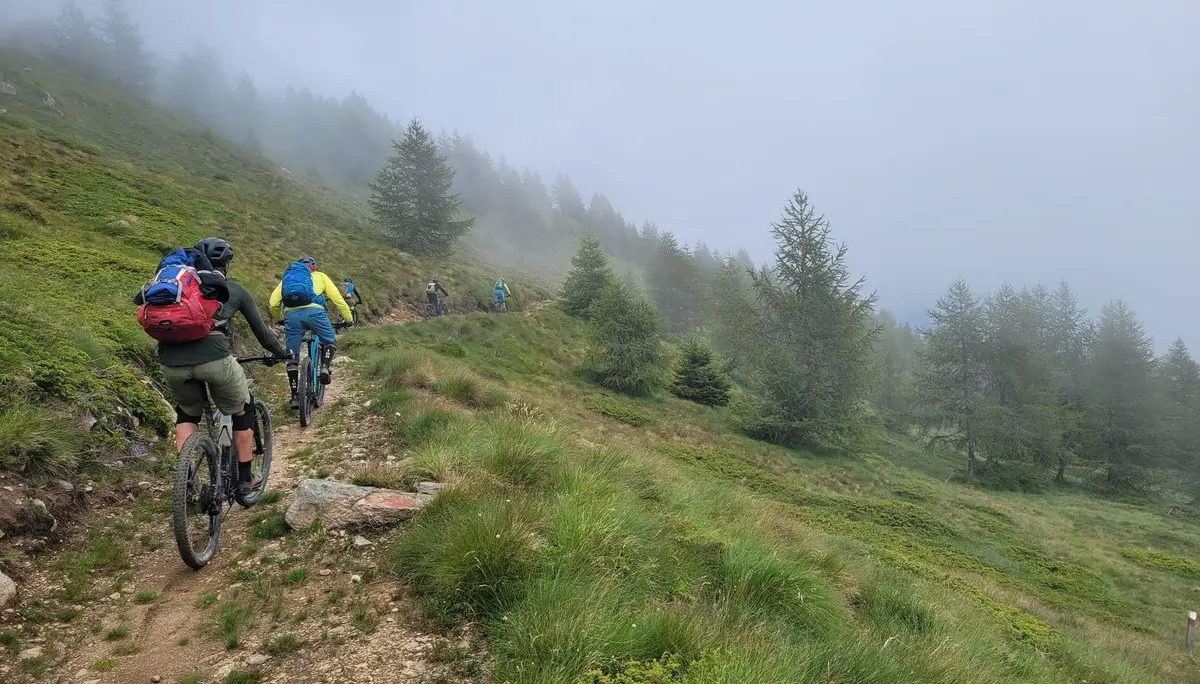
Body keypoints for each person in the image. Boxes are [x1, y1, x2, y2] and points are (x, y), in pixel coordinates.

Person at [136, 238, 288, 498]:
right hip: (215, 360)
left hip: (171, 363)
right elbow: (262, 333)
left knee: (187, 414)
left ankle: (185, 478)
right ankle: (244, 478)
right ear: (225, 264)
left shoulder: (176, 289)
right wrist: (281, 354)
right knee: (243, 409)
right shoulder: (234, 290)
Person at [269, 256, 354, 408]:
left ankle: (295, 396)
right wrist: (348, 319)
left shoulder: (288, 280)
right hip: (315, 314)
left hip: (292, 317)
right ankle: (324, 367)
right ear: (314, 268)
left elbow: (273, 303)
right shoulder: (321, 276)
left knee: (292, 357)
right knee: (329, 340)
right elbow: (338, 299)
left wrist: (281, 318)